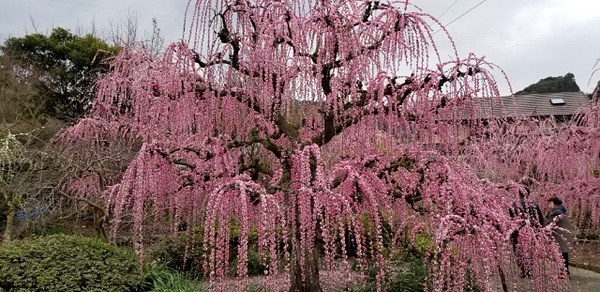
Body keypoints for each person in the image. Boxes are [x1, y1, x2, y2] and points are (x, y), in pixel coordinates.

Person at [508, 185, 544, 278]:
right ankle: (530, 268)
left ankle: (523, 269)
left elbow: (511, 218)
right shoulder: (534, 204)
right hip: (532, 229)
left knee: (518, 250)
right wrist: (540, 229)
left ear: (518, 193)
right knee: (532, 249)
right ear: (528, 194)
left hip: (518, 230)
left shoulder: (514, 204)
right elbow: (540, 218)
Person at [546, 196, 575, 277]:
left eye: (550, 203)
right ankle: (564, 271)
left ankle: (565, 272)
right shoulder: (562, 211)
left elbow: (550, 223)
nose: (549, 205)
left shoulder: (556, 212)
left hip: (560, 235)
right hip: (563, 235)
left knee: (562, 254)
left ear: (555, 204)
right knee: (563, 253)